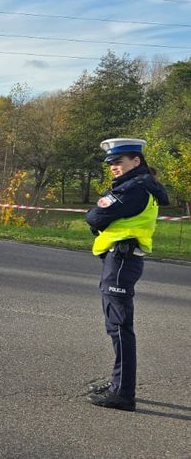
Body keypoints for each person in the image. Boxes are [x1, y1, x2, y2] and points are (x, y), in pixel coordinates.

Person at [83, 138, 168, 412]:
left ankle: (123, 393)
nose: (113, 168)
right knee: (117, 326)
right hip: (120, 259)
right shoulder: (138, 186)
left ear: (136, 161)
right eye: (111, 164)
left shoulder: (135, 188)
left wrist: (96, 215)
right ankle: (118, 385)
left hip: (122, 260)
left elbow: (95, 217)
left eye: (118, 162)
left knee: (119, 327)